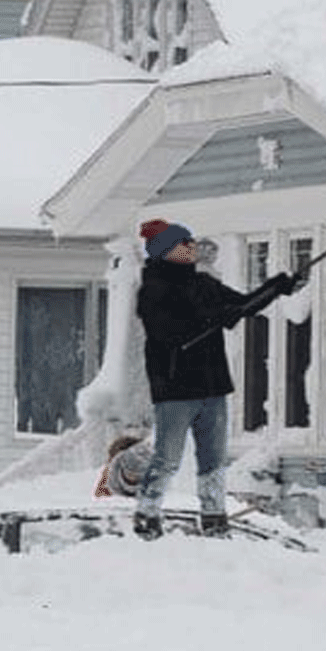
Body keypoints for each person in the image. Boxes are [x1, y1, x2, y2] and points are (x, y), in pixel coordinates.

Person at [131, 218, 299, 539]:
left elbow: (242, 306)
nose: (193, 248)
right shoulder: (153, 291)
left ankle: (213, 515)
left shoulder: (205, 285)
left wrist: (276, 288)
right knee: (168, 456)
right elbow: (169, 333)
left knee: (214, 458)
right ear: (166, 252)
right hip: (175, 388)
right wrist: (213, 317)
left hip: (213, 385)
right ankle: (147, 513)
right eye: (185, 244)